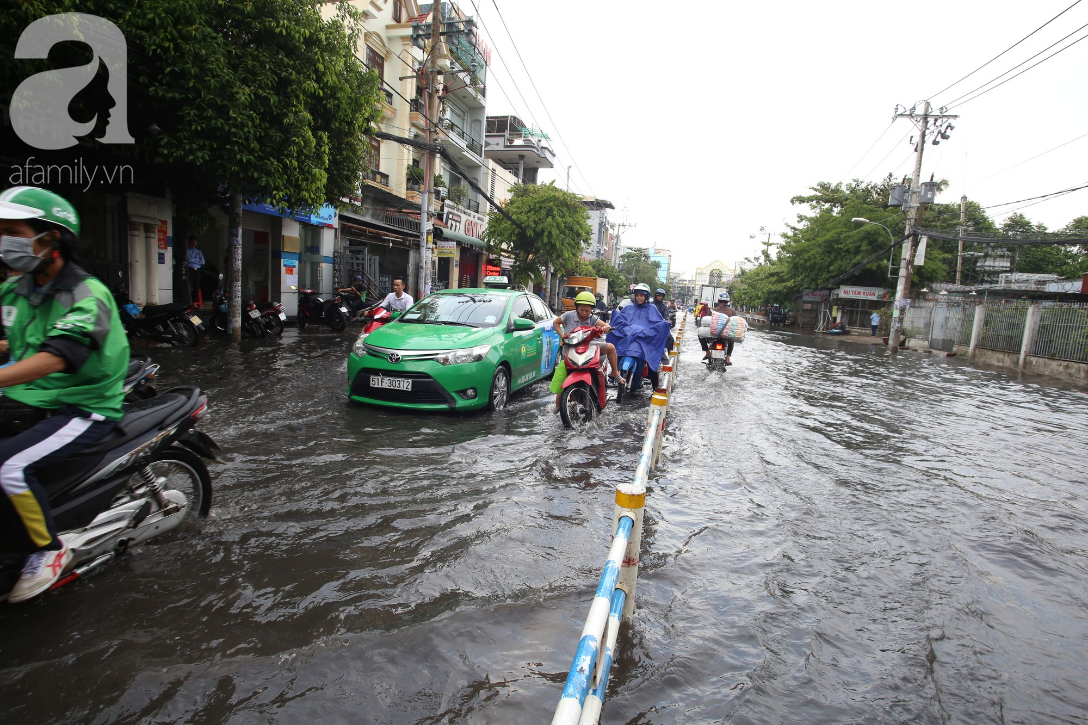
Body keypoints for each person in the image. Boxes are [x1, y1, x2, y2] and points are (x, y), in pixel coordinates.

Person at [0, 186, 130, 603]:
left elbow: (56, 357)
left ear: (50, 238)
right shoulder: (15, 290)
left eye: (12, 231)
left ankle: (48, 550)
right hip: (32, 397)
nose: (5, 241)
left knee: (7, 466)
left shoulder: (88, 295)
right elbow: (11, 342)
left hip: (82, 405)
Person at [550, 291, 619, 411]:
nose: (584, 313)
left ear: (591, 310)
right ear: (576, 307)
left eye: (587, 311)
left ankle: (615, 372)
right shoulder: (568, 315)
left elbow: (603, 324)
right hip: (570, 349)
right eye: (581, 310)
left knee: (611, 348)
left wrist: (606, 327)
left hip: (588, 347)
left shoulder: (592, 318)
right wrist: (562, 336)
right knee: (562, 379)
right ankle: (557, 406)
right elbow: (556, 322)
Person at [700, 292, 738, 365]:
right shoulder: (732, 311)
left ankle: (707, 352)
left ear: (718, 301)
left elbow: (706, 321)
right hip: (726, 335)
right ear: (728, 302)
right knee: (731, 341)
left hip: (713, 334)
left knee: (701, 336)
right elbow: (735, 323)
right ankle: (728, 357)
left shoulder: (713, 310)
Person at [186, 236, 205, 303]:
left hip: (198, 270)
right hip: (190, 270)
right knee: (190, 286)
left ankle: (194, 302)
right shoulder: (187, 251)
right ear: (189, 242)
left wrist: (193, 260)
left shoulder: (199, 252)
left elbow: (203, 261)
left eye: (195, 241)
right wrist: (197, 259)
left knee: (196, 286)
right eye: (192, 241)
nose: (194, 243)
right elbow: (188, 260)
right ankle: (189, 301)